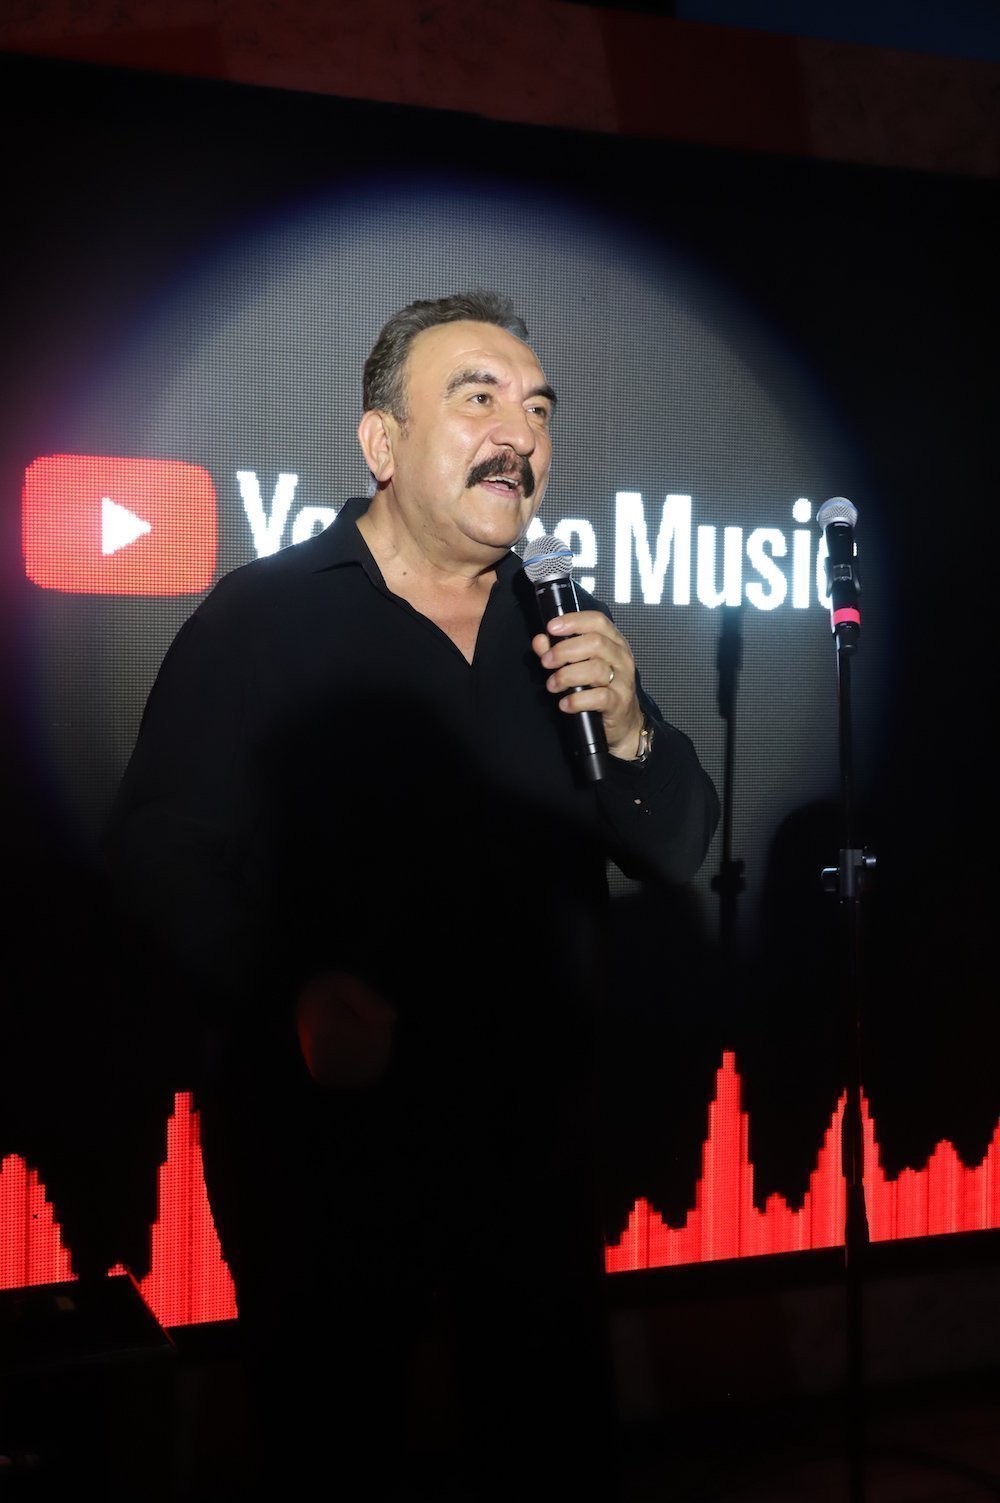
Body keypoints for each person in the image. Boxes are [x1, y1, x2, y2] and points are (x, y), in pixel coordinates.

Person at [104, 291, 719, 1500]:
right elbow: (159, 853)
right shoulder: (263, 618)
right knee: (336, 1447)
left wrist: (632, 730)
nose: (519, 434)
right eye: (477, 398)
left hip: (530, 1145)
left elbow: (674, 845)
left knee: (546, 1442)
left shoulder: (562, 622)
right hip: (324, 1148)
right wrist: (288, 991)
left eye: (537, 408)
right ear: (381, 443)